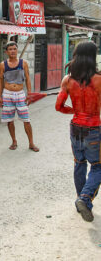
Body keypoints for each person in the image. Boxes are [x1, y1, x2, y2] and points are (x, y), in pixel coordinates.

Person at [55, 41, 101, 222]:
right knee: (98, 166)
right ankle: (84, 199)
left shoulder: (67, 80)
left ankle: (81, 202)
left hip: (75, 127)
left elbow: (59, 106)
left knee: (79, 163)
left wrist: (74, 111)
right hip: (93, 128)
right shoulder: (98, 79)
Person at [0, 42, 39, 152]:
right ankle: (14, 141)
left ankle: (31, 143)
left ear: (17, 50)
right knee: (9, 120)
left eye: (14, 49)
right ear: (6, 51)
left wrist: (29, 94)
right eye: (10, 49)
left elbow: (27, 78)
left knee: (26, 119)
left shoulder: (23, 63)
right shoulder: (3, 64)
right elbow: (0, 81)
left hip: (20, 93)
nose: (12, 51)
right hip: (7, 93)